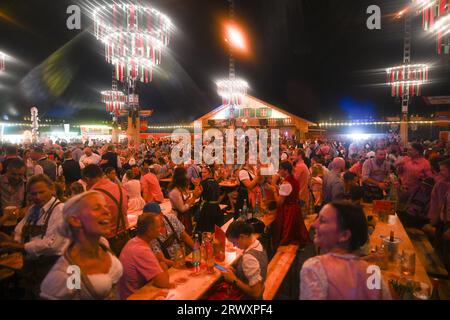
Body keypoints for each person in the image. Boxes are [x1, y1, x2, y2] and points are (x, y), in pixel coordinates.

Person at [40, 191, 123, 299]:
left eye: (106, 207)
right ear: (75, 220)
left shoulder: (103, 244)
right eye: (97, 208)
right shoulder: (70, 271)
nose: (107, 211)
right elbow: (74, 294)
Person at [300, 202, 391, 300]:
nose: (314, 224)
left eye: (322, 221)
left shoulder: (314, 268)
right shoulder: (373, 273)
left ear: (344, 235)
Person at [0, 174, 69, 298]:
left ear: (52, 189)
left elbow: (52, 244)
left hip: (54, 267)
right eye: (33, 194)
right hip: (35, 270)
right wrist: (12, 240)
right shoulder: (34, 209)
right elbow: (20, 230)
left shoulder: (61, 210)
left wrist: (20, 246)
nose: (37, 197)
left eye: (41, 192)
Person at [119, 212, 171, 299]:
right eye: (158, 227)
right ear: (149, 231)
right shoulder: (142, 250)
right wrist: (162, 264)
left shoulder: (133, 241)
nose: (161, 229)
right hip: (134, 296)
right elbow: (163, 282)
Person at [82, 164, 128, 255]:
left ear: (87, 179)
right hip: (125, 237)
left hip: (107, 242)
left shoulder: (93, 194)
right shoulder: (119, 187)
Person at [219, 221, 268, 300]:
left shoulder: (249, 258)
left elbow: (256, 293)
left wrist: (234, 279)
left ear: (242, 237)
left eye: (234, 242)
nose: (234, 245)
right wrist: (236, 271)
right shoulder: (258, 244)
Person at [267, 161, 310, 250]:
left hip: (288, 211)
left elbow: (279, 202)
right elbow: (288, 193)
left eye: (280, 169)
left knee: (286, 234)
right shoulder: (293, 180)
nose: (278, 171)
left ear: (285, 170)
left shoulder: (286, 184)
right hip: (295, 208)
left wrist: (274, 190)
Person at [144, 202, 194, 268]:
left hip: (184, 255)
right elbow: (161, 259)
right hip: (169, 265)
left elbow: (184, 236)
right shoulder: (150, 233)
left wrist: (196, 249)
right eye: (150, 220)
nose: (153, 222)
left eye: (154, 218)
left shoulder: (171, 218)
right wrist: (178, 264)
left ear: (161, 214)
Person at [168, 167, 201, 235]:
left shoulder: (182, 188)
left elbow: (187, 200)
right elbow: (182, 209)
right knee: (182, 236)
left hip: (186, 216)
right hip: (178, 218)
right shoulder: (174, 192)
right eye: (186, 174)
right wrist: (194, 197)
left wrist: (196, 187)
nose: (188, 176)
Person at [196, 166, 223, 233]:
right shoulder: (215, 182)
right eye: (202, 172)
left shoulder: (203, 183)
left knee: (205, 229)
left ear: (210, 173)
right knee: (214, 229)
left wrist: (196, 185)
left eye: (205, 172)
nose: (203, 174)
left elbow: (196, 196)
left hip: (206, 209)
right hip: (216, 208)